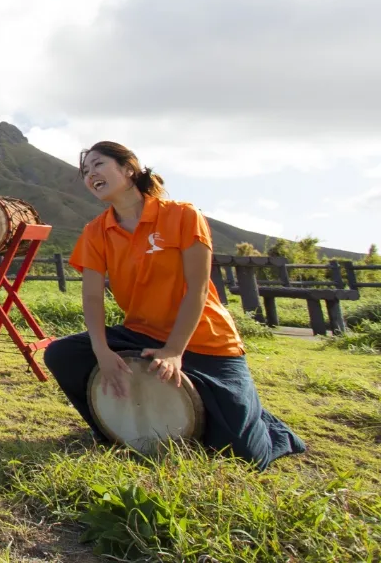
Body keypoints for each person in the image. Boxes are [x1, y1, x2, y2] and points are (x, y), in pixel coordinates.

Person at [43, 141, 306, 470]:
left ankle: (265, 423)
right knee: (62, 354)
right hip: (141, 333)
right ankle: (117, 431)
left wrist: (173, 350)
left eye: (98, 164)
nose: (90, 174)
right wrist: (102, 351)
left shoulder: (183, 215)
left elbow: (198, 288)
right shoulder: (96, 231)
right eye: (85, 171)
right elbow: (93, 297)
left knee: (248, 457)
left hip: (205, 341)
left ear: (128, 169)